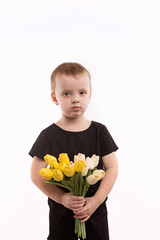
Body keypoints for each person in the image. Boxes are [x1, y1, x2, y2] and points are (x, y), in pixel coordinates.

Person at [29, 62, 119, 240]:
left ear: (89, 95)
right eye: (67, 93)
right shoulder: (48, 135)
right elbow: (36, 175)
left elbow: (112, 168)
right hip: (61, 215)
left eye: (82, 92)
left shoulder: (100, 132)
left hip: (95, 211)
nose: (75, 99)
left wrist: (96, 200)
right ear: (55, 98)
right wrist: (62, 198)